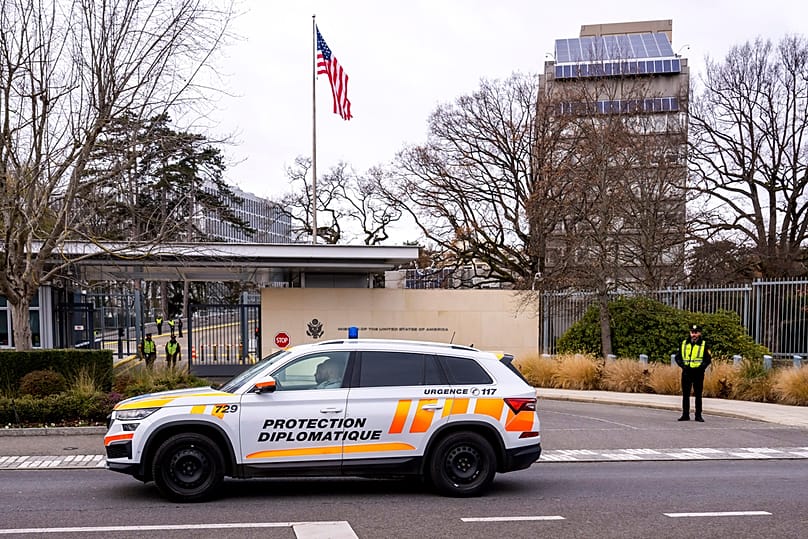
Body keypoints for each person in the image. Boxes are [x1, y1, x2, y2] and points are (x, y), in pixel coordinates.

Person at [674, 324, 712, 422]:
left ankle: (698, 415)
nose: (694, 334)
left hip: (698, 373)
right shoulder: (683, 343)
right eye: (692, 332)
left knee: (698, 394)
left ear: (699, 333)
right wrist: (683, 366)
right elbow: (677, 357)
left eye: (696, 332)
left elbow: (708, 359)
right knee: (685, 394)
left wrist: (701, 367)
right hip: (686, 372)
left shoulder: (704, 344)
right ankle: (685, 414)